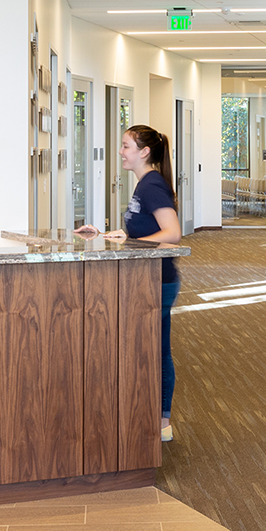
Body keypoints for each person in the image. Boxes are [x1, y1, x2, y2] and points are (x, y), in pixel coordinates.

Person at [75, 124, 182, 442]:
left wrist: (133, 243)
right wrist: (121, 236)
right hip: (148, 278)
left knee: (156, 350)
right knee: (157, 348)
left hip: (158, 280)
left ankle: (161, 420)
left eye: (125, 146)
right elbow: (148, 231)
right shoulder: (143, 185)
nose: (121, 152)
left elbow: (172, 234)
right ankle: (160, 419)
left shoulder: (151, 185)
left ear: (144, 152)